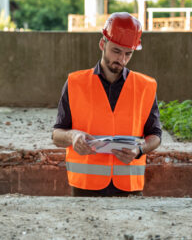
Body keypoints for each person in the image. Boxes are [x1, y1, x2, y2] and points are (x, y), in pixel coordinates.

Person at [52, 12, 162, 197]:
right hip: (85, 187)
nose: (122, 59)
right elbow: (57, 134)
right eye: (116, 51)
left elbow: (156, 135)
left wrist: (140, 149)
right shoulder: (75, 82)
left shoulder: (146, 86)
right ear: (102, 44)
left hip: (129, 187)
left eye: (128, 53)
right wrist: (73, 136)